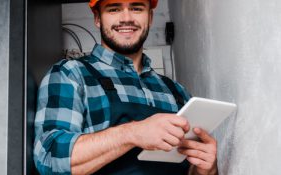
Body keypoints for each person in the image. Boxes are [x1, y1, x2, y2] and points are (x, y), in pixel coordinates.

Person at [33, 0, 218, 174]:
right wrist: (132, 133)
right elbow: (49, 157)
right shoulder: (72, 75)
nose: (126, 18)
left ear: (150, 17)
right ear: (98, 18)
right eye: (114, 8)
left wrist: (206, 169)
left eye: (137, 8)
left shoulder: (177, 92)